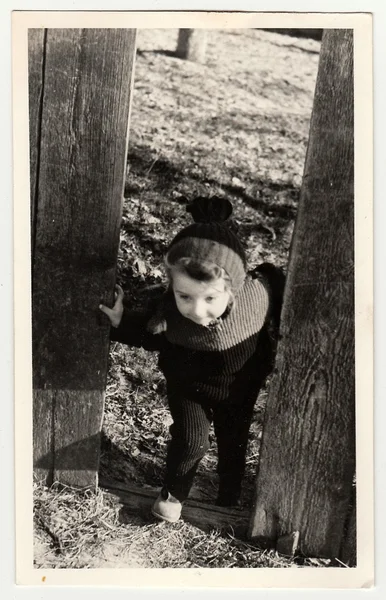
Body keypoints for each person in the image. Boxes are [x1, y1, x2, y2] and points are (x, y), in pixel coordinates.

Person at [99, 196, 284, 523]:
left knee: (233, 442)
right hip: (188, 388)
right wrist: (119, 322)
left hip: (238, 390)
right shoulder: (169, 312)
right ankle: (173, 493)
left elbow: (279, 288)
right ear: (172, 286)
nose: (197, 311)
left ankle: (228, 498)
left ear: (233, 288)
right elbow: (147, 334)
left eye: (210, 298)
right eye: (185, 296)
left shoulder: (256, 298)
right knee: (191, 441)